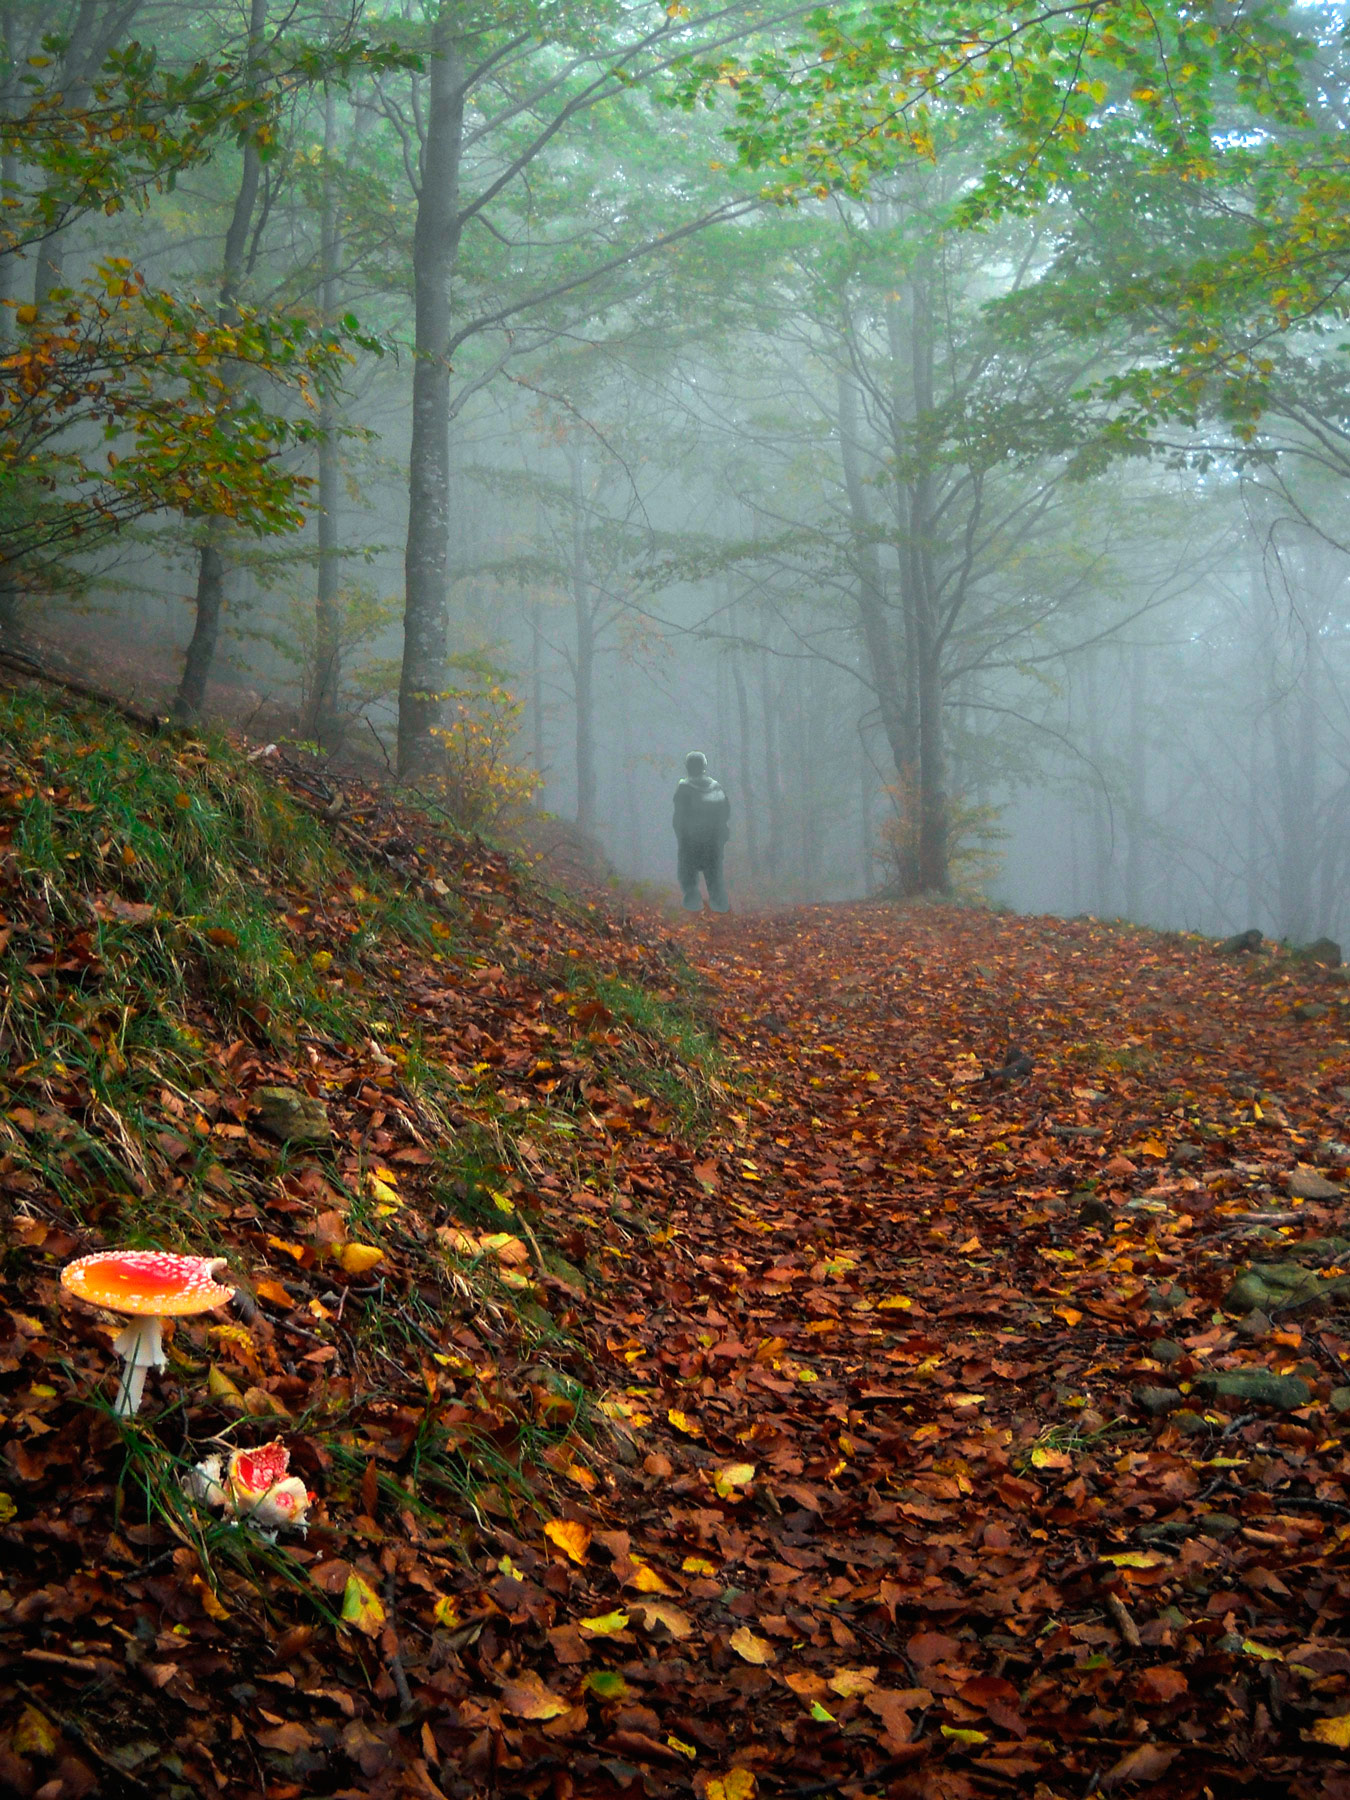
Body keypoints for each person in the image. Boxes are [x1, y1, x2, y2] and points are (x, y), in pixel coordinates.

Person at [673, 751, 730, 913]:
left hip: (691, 842)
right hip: (714, 843)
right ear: (704, 766)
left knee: (687, 877)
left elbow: (679, 818)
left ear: (688, 767)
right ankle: (721, 911)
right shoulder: (716, 787)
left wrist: (681, 838)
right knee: (715, 878)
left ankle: (692, 908)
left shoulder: (684, 788)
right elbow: (726, 813)